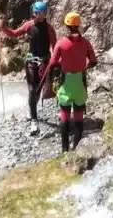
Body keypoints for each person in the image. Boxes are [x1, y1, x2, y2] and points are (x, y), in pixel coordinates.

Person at [0, 0, 56, 134]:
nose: (41, 15)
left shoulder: (49, 29)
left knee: (38, 91)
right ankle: (34, 121)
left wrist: (55, 61)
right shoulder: (28, 25)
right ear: (35, 13)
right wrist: (3, 27)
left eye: (42, 12)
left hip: (44, 63)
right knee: (32, 90)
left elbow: (55, 46)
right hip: (31, 62)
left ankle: (32, 109)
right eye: (39, 12)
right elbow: (13, 33)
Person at [41, 12, 97, 152]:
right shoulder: (86, 43)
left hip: (65, 84)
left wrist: (62, 62)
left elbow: (53, 63)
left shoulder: (61, 43)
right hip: (79, 83)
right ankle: (77, 147)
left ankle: (64, 149)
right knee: (78, 116)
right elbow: (93, 61)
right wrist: (83, 67)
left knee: (64, 116)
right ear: (78, 25)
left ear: (67, 26)